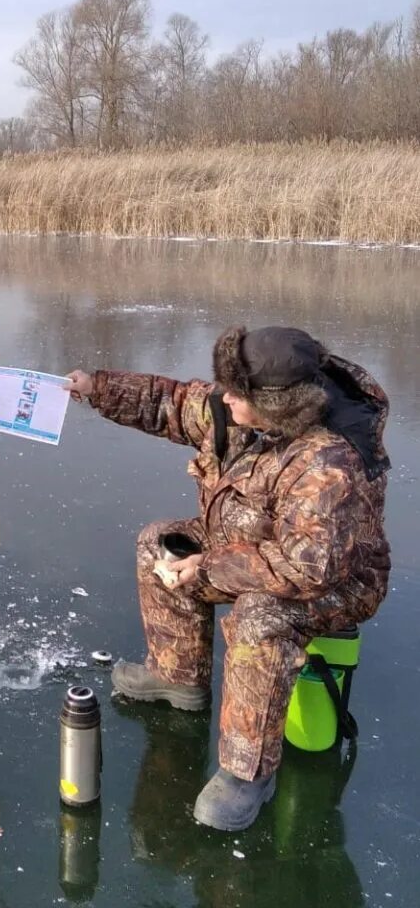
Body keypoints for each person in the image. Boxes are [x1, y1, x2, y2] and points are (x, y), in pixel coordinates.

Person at [66, 325, 390, 831]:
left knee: (261, 616)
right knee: (161, 540)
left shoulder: (329, 462)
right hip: (246, 544)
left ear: (279, 405)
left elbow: (309, 566)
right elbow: (168, 401)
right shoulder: (231, 408)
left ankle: (247, 772)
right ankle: (177, 676)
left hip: (335, 580)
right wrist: (95, 387)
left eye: (239, 392)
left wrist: (209, 567)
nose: (226, 397)